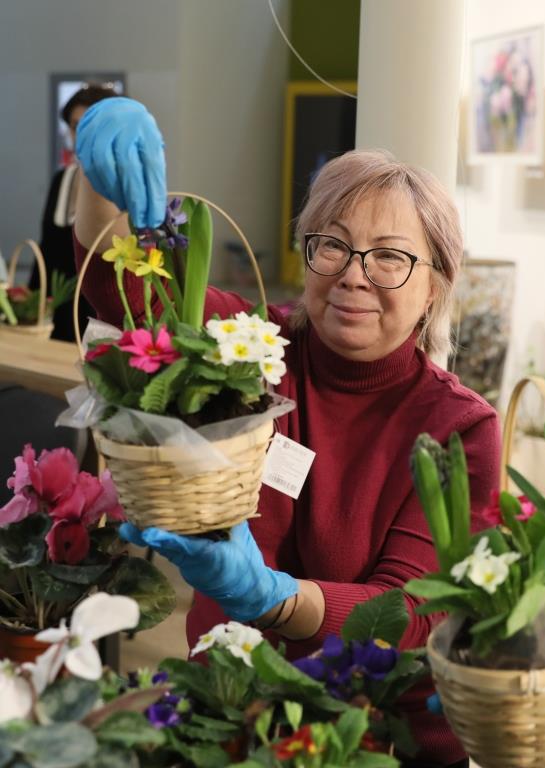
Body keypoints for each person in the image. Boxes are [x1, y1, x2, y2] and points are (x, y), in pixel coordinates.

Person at [72, 97, 500, 768]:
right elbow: (121, 289)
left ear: (436, 286)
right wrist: (98, 175)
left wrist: (271, 598)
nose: (354, 274)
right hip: (226, 712)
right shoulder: (250, 349)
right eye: (332, 245)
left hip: (370, 735)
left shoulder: (458, 427)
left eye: (389, 257)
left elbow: (412, 608)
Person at [30, 83, 117, 341]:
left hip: (100, 315)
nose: (80, 135)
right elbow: (46, 247)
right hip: (58, 310)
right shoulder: (62, 179)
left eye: (89, 125)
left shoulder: (120, 185)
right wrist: (34, 301)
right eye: (75, 126)